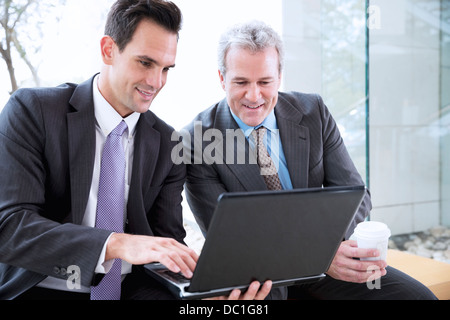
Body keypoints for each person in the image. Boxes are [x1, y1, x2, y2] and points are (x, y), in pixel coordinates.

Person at [0, 0, 271, 300]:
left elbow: (165, 250)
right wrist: (115, 244)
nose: (156, 82)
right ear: (108, 50)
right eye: (145, 62)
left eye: (166, 68)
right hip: (39, 289)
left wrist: (199, 296)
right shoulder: (33, 112)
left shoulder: (169, 144)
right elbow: (10, 227)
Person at [183, 20, 437, 300]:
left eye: (265, 82)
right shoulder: (197, 140)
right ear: (222, 78)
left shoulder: (312, 111)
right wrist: (319, 256)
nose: (253, 95)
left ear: (279, 76)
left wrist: (323, 255)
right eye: (241, 82)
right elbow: (230, 241)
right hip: (258, 276)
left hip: (327, 265)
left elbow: (357, 194)